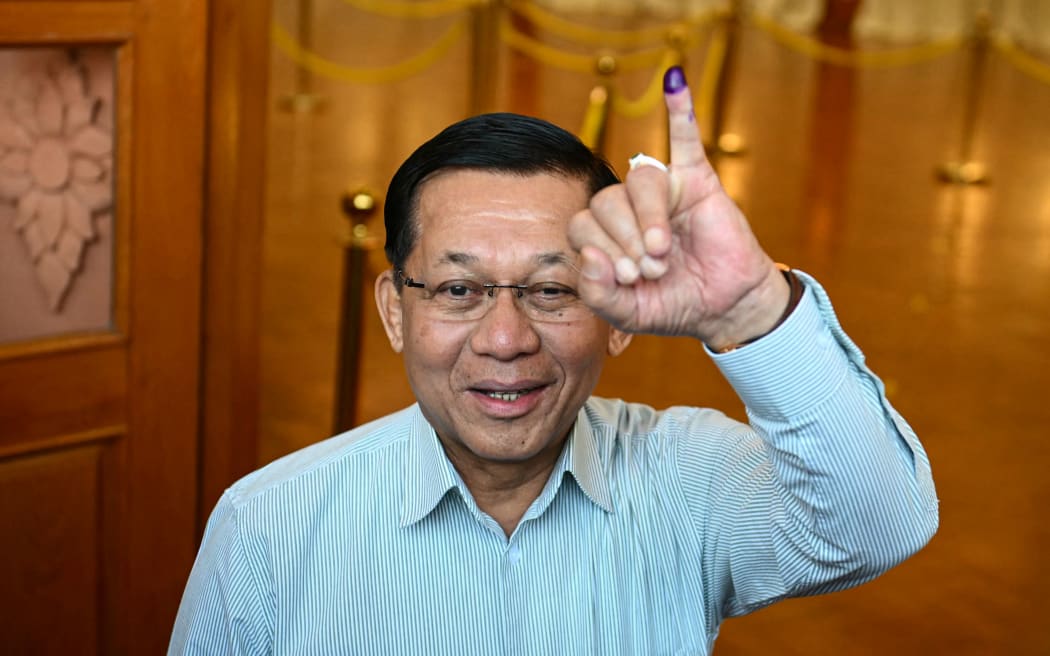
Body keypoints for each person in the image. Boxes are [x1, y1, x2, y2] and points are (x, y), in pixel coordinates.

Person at [169, 66, 938, 655]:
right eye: (459, 288)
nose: (505, 339)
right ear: (395, 311)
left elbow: (878, 524)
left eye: (551, 288)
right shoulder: (268, 528)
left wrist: (750, 308)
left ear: (615, 317)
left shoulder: (687, 479)